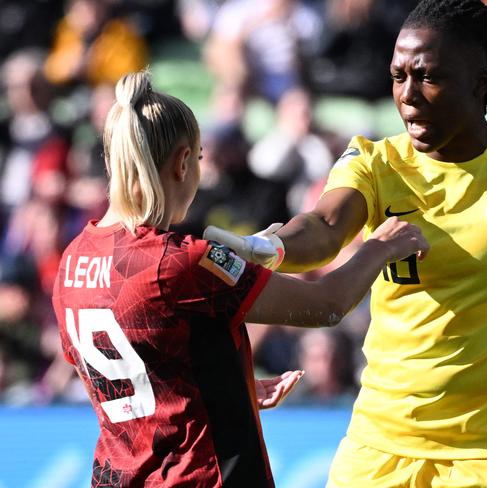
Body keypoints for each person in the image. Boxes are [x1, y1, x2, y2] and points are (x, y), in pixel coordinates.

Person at [204, 0, 487, 485]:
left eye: (428, 77)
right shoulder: (375, 161)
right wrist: (272, 245)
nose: (408, 95)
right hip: (379, 443)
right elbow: (325, 227)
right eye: (398, 77)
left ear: (480, 83)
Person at [51, 71, 428, 487]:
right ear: (182, 163)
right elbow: (326, 304)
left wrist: (232, 386)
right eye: (197, 158)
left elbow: (132, 378)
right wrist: (381, 246)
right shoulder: (179, 262)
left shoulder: (73, 260)